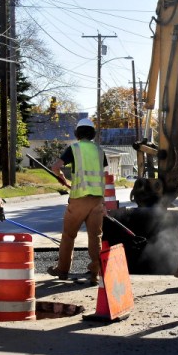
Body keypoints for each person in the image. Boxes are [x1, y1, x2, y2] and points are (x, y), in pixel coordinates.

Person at [47, 118, 107, 285]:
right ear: (92, 133)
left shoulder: (74, 148)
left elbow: (55, 167)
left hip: (79, 199)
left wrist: (62, 178)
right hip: (97, 200)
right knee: (95, 237)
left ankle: (63, 271)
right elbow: (106, 178)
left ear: (78, 133)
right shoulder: (100, 151)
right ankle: (95, 274)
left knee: (68, 236)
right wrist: (105, 204)